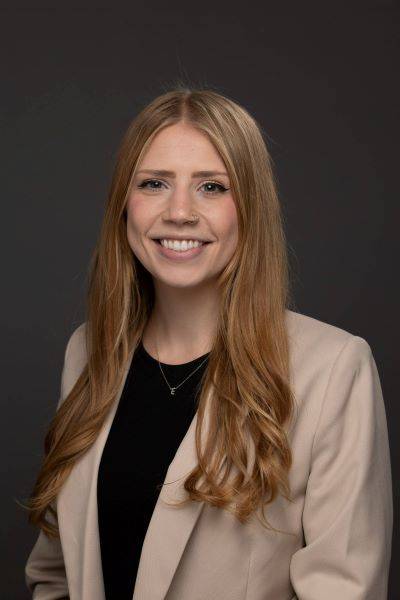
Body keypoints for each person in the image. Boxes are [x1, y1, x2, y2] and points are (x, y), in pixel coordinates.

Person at [23, 86, 393, 600]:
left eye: (212, 187)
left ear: (250, 206)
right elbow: (56, 573)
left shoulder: (332, 368)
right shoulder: (87, 351)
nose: (180, 212)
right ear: (123, 204)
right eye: (154, 183)